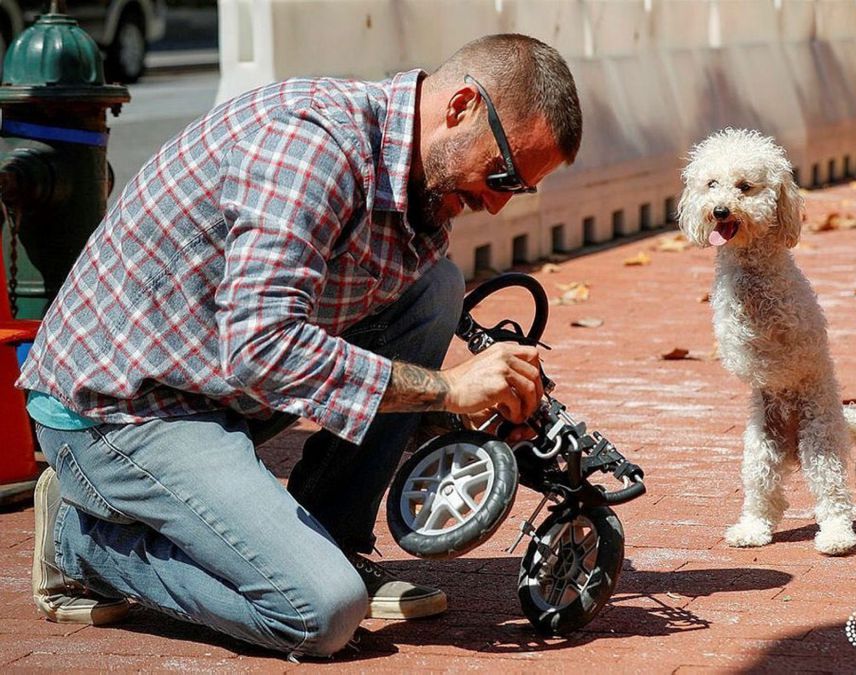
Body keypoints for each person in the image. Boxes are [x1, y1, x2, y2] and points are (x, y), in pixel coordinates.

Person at [17, 33, 582, 658]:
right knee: (322, 611)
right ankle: (84, 544)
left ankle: (330, 535)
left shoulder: (423, 180)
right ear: (461, 108)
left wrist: (469, 417)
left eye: (519, 190)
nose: (498, 205)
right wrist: (448, 389)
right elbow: (263, 347)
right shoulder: (311, 145)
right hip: (122, 410)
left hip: (213, 382)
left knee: (436, 288)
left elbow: (337, 364)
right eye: (502, 175)